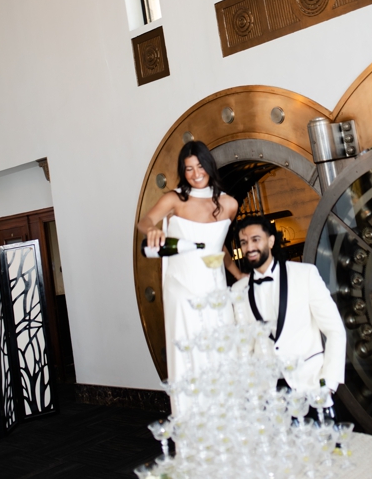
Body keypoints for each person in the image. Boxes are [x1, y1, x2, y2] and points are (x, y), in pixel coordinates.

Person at [137, 140, 239, 383]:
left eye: (200, 166)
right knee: (188, 354)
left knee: (221, 352)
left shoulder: (229, 204)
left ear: (209, 166)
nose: (196, 174)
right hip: (181, 288)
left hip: (214, 289)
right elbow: (144, 221)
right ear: (183, 172)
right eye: (189, 168)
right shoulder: (175, 199)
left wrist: (237, 273)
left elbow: (218, 246)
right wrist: (152, 230)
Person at [231, 215, 346, 406]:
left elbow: (335, 330)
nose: (249, 247)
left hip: (310, 387)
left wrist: (329, 383)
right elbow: (244, 348)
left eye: (255, 239)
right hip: (267, 397)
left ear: (271, 240)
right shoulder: (238, 291)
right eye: (244, 242)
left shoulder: (305, 274)